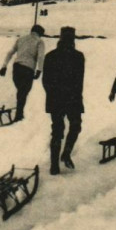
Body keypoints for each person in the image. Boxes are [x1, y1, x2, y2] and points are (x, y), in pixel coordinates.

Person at [42, 27, 84, 175]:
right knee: (75, 126)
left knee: (57, 131)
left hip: (55, 100)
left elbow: (45, 81)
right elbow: (79, 81)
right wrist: (76, 97)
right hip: (73, 99)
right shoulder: (78, 56)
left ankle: (54, 166)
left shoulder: (50, 56)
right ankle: (66, 153)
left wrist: (52, 95)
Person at [0, 25, 45, 121]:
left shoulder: (21, 39)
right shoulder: (39, 41)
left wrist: (4, 66)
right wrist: (39, 70)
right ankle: (19, 114)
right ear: (40, 33)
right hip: (28, 69)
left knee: (21, 91)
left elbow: (10, 53)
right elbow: (41, 56)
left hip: (16, 68)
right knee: (23, 92)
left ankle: (19, 111)